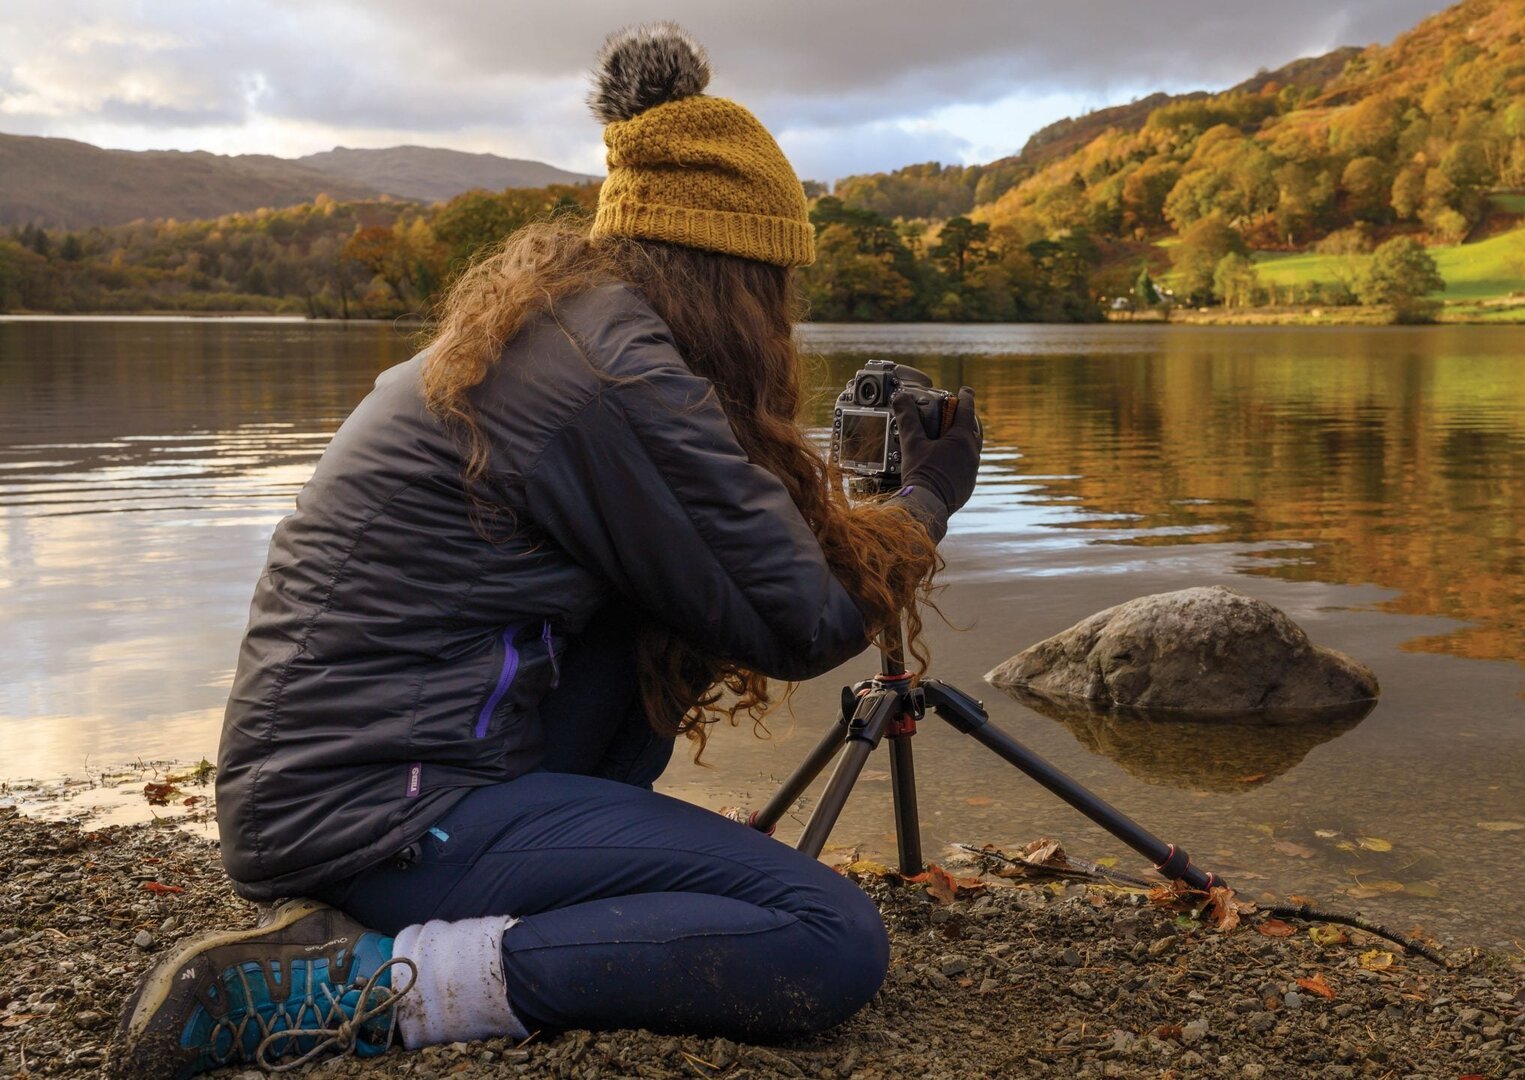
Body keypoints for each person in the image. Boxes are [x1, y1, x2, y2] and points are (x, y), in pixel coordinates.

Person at [112, 23, 982, 1079]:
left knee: (648, 630)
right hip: (376, 809)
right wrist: (928, 499)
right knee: (824, 938)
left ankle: (432, 913)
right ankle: (356, 989)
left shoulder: (573, 330)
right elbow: (800, 619)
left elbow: (731, 568)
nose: (779, 323)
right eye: (774, 291)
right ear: (729, 274)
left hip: (346, 784)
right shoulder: (608, 376)